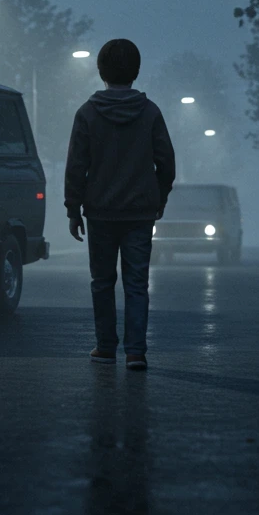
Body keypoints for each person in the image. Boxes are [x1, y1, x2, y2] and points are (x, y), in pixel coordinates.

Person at [64, 38, 175, 370]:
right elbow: (166, 162)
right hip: (140, 212)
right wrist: (159, 197)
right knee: (136, 282)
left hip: (100, 212)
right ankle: (136, 352)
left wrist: (73, 209)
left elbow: (76, 166)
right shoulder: (150, 112)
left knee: (102, 281)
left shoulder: (87, 114)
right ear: (136, 71)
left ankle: (106, 346)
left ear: (101, 71)